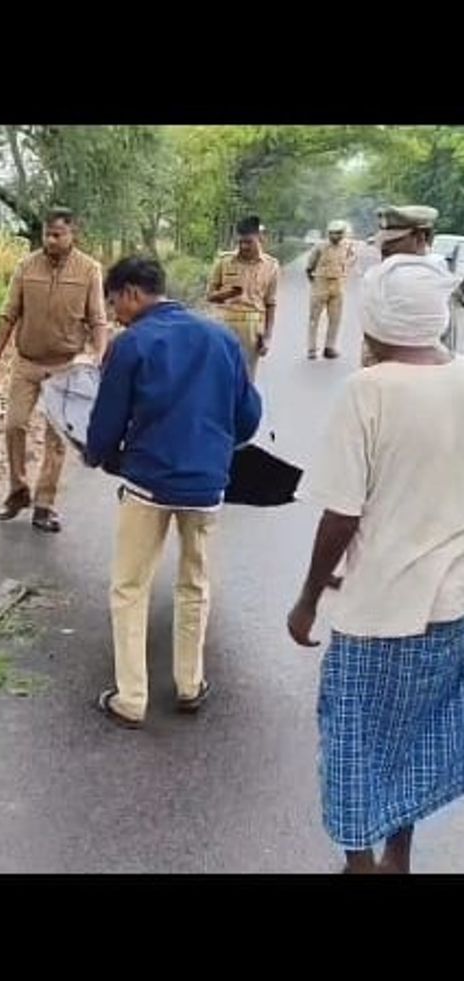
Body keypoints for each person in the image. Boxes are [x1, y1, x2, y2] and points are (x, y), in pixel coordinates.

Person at [288, 253, 464, 874]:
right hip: (452, 609)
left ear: (377, 326)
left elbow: (341, 513)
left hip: (380, 612)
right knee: (414, 736)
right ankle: (399, 856)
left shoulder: (369, 390)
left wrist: (309, 596)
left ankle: (360, 864)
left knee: (355, 739)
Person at [86, 257, 262, 728]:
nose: (116, 313)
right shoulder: (222, 339)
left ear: (131, 294)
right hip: (206, 486)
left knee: (129, 586)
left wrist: (99, 455)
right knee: (195, 584)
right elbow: (248, 419)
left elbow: (106, 423)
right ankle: (189, 684)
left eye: (115, 302)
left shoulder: (132, 345)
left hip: (147, 484)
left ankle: (131, 698)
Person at [0, 208, 109, 534]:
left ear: (73, 234)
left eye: (57, 234)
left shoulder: (89, 270)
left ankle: (44, 503)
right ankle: (17, 490)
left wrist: (99, 357)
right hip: (27, 362)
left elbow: (97, 319)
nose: (50, 240)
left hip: (66, 365)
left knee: (56, 438)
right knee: (14, 425)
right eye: (46, 234)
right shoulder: (26, 267)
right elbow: (8, 315)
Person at [362, 205, 439, 367]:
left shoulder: (435, 279)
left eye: (394, 240)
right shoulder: (381, 274)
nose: (384, 246)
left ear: (420, 237)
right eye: (383, 239)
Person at [206, 216, 279, 379]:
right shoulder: (224, 261)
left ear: (260, 239)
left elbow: (271, 303)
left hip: (252, 327)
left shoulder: (271, 266)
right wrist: (227, 294)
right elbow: (209, 296)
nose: (243, 246)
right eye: (240, 242)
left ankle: (243, 405)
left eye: (248, 242)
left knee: (246, 377)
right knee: (220, 373)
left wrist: (267, 337)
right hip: (224, 322)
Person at [306, 220, 356, 360]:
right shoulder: (320, 247)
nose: (335, 236)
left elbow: (352, 258)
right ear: (328, 234)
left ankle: (329, 347)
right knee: (314, 318)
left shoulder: (347, 246)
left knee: (335, 319)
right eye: (332, 233)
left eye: (338, 233)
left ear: (343, 234)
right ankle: (311, 348)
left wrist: (345, 269)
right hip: (321, 284)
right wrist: (314, 281)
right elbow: (310, 266)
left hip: (338, 285)